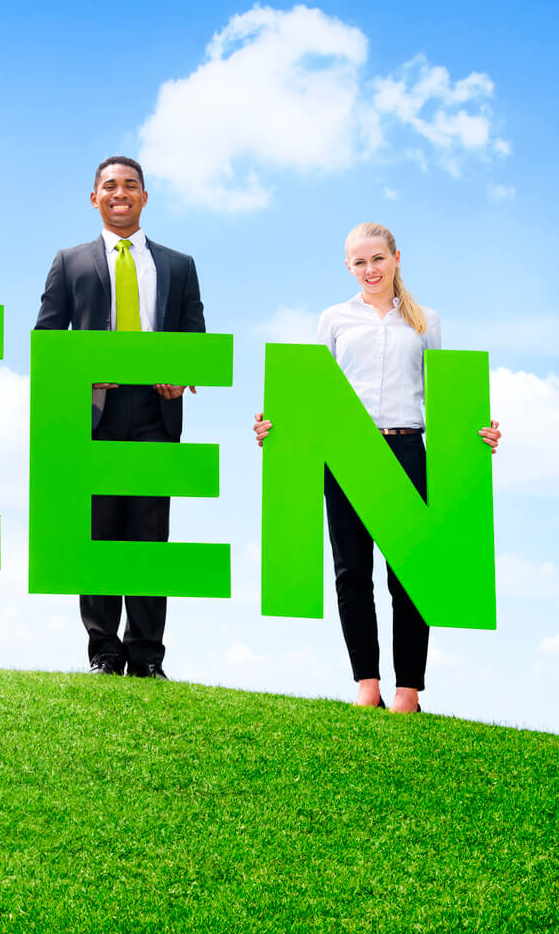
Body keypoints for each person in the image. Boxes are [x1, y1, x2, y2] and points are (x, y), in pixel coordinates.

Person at [252, 223, 501, 714]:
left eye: (378, 259)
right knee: (351, 571)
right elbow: (310, 391)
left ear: (396, 259)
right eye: (359, 262)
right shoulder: (334, 320)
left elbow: (441, 394)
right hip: (347, 451)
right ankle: (367, 683)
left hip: (407, 450)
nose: (370, 270)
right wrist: (273, 427)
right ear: (348, 266)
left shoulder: (425, 321)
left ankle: (408, 690)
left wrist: (477, 433)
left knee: (409, 574)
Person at [34, 155, 205, 679]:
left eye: (131, 185)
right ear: (95, 198)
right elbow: (46, 339)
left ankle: (148, 657)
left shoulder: (179, 264)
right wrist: (80, 377)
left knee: (151, 534)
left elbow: (195, 338)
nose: (120, 192)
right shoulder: (69, 261)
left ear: (145, 197)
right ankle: (104, 653)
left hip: (156, 409)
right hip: (96, 414)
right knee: (100, 530)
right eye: (110, 186)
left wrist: (183, 375)